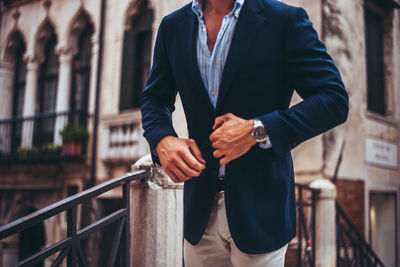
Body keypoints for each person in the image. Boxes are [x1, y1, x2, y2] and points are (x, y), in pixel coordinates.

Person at [141, 0, 348, 265]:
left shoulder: (285, 20)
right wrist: (162, 140)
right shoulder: (173, 26)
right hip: (198, 213)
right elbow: (155, 98)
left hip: (261, 210)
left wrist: (257, 130)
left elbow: (333, 100)